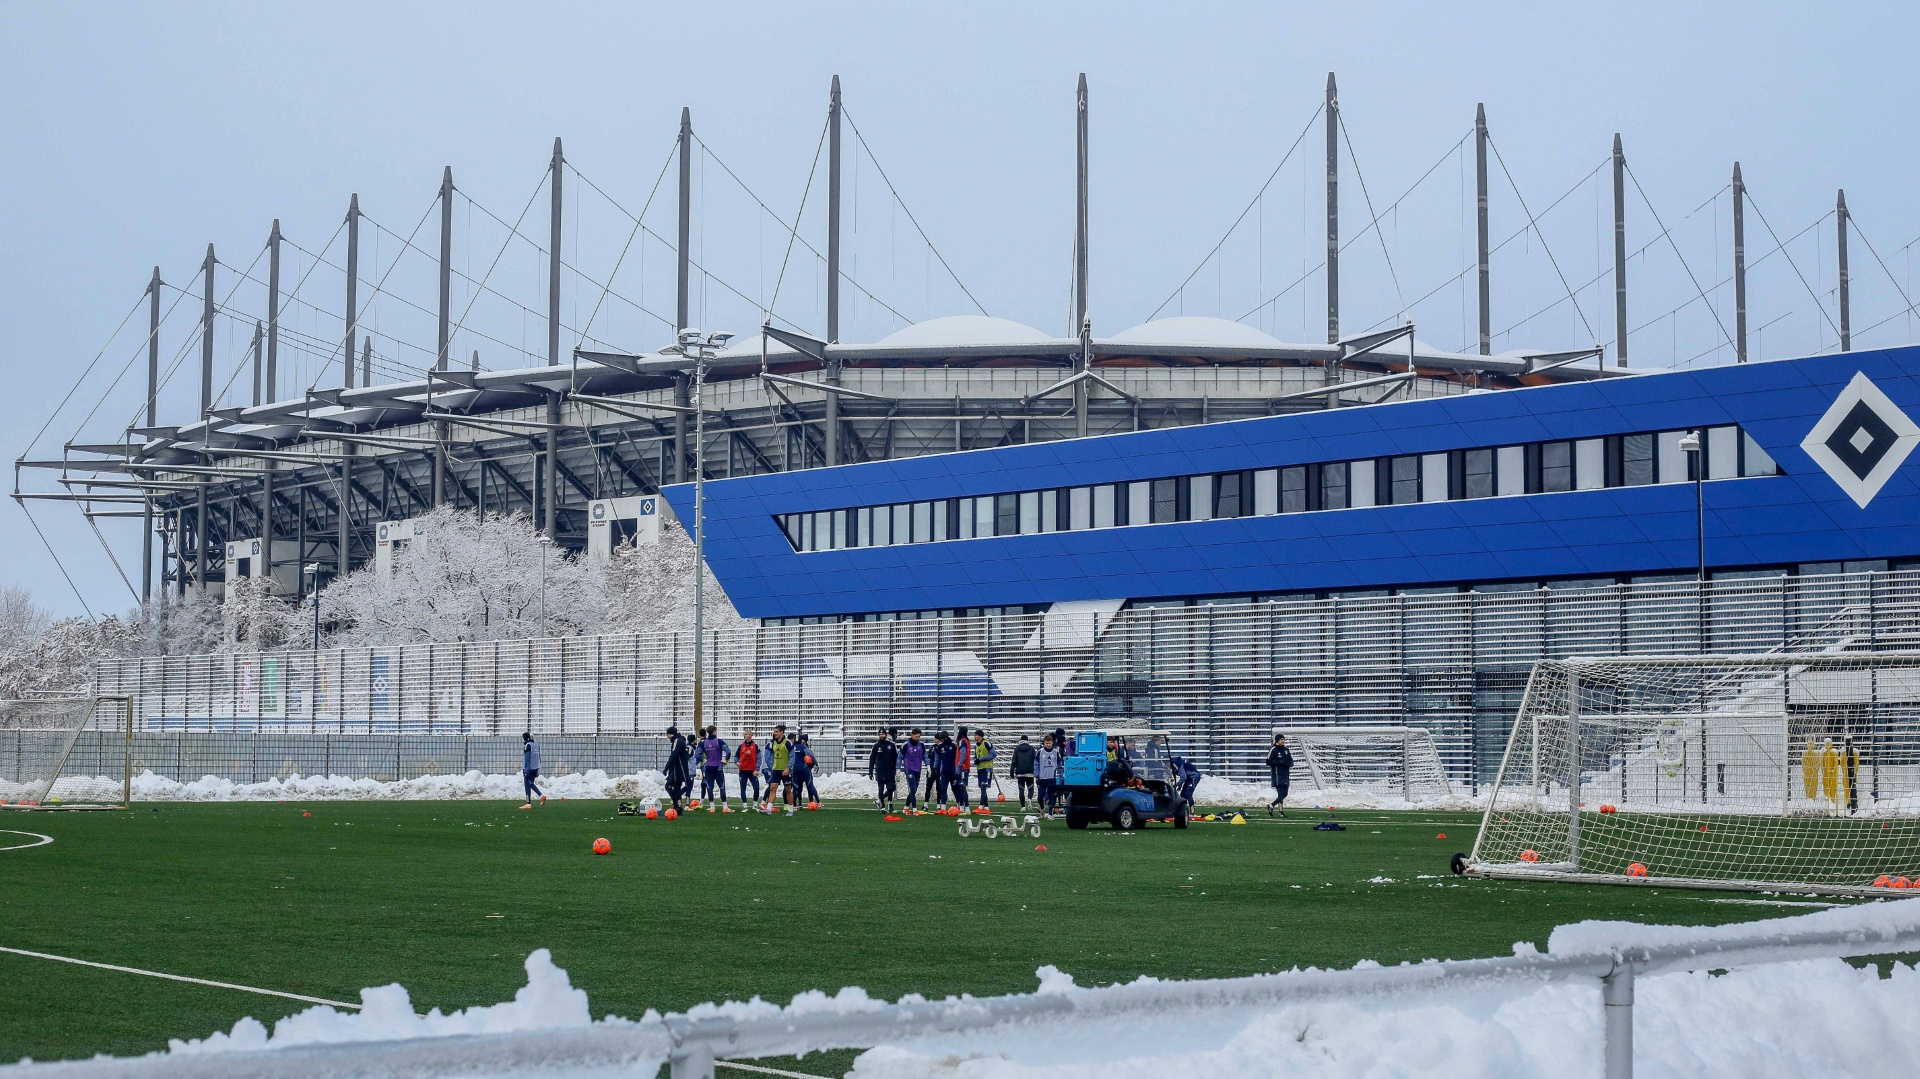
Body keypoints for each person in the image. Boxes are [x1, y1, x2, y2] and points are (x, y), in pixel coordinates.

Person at [868, 728, 899, 811]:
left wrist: (896, 769)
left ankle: (890, 803)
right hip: (880, 770)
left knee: (890, 788)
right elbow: (872, 759)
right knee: (880, 789)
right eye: (880, 734)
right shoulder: (876, 746)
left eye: (882, 734)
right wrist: (870, 771)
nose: (881, 736)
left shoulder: (891, 745)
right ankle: (882, 807)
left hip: (889, 770)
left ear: (885, 735)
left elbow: (896, 758)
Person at [663, 725, 692, 813]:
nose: (667, 737)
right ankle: (678, 807)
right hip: (680, 768)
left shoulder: (677, 741)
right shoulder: (681, 740)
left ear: (671, 734)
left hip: (678, 769)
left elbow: (674, 755)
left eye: (667, 735)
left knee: (669, 786)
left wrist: (666, 768)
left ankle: (676, 804)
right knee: (676, 787)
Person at [698, 725, 729, 806]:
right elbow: (728, 751)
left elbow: (697, 754)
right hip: (718, 766)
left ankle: (712, 807)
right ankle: (725, 806)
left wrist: (703, 760)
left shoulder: (703, 742)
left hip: (708, 766)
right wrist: (726, 760)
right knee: (721, 786)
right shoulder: (719, 741)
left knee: (709, 786)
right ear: (714, 731)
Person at [1266, 733, 1294, 817]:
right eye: (1281, 739)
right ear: (1277, 740)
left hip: (1285, 774)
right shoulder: (1273, 749)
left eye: (1284, 739)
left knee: (1285, 793)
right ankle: (1281, 811)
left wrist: (1290, 764)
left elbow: (1290, 760)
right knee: (1280, 793)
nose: (1283, 741)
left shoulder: (1286, 750)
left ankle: (1271, 805)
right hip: (1277, 774)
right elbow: (1268, 761)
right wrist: (1280, 763)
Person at [899, 728, 927, 812]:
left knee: (914, 790)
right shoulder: (906, 745)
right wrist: (898, 767)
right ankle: (914, 809)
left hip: (918, 769)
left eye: (919, 737)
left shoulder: (921, 745)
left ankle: (906, 807)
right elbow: (900, 757)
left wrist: (928, 765)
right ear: (912, 735)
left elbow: (925, 756)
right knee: (913, 788)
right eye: (916, 736)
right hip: (909, 769)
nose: (917, 738)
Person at [790, 732, 820, 806]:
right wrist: (816, 763)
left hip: (795, 769)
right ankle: (818, 802)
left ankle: (795, 805)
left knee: (796, 787)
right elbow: (811, 755)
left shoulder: (790, 747)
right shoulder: (803, 747)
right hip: (804, 769)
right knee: (810, 785)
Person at [932, 731, 958, 810]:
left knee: (955, 788)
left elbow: (958, 757)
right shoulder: (939, 747)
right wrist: (934, 768)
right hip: (944, 771)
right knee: (943, 788)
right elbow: (937, 758)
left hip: (953, 771)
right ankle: (943, 807)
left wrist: (959, 769)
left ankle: (959, 805)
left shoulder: (954, 745)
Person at [1035, 733, 1060, 814]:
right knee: (1040, 797)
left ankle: (1050, 813)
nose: (1048, 745)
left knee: (1051, 796)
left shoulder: (1056, 752)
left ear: (1052, 743)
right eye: (1047, 743)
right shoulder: (1040, 752)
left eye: (1049, 743)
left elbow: (1060, 764)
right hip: (1042, 778)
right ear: (1044, 743)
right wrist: (1037, 774)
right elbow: (1036, 764)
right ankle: (1042, 808)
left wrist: (1059, 774)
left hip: (1052, 778)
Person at [1010, 735, 1037, 808]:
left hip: (1020, 772)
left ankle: (1023, 807)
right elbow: (1036, 760)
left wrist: (1011, 772)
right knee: (1030, 788)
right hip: (1030, 772)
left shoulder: (1017, 749)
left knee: (1021, 789)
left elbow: (1014, 761)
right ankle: (1029, 799)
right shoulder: (1031, 749)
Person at [768, 725, 792, 806]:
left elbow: (793, 757)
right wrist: (771, 766)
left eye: (777, 732)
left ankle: (791, 809)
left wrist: (788, 768)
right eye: (774, 732)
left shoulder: (787, 743)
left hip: (785, 770)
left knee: (788, 790)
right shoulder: (773, 743)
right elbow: (771, 756)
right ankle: (769, 809)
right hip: (776, 770)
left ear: (782, 732)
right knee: (772, 788)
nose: (775, 733)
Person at [736, 729, 762, 805]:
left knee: (756, 788)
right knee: (743, 788)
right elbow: (736, 756)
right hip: (743, 771)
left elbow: (759, 758)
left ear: (751, 735)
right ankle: (745, 805)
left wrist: (757, 769)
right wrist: (737, 762)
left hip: (752, 771)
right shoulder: (741, 746)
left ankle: (755, 803)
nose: (744, 735)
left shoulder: (755, 746)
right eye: (744, 734)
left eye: (746, 734)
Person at [521, 731, 545, 806]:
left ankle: (538, 797)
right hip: (536, 767)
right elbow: (539, 757)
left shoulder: (527, 745)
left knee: (528, 783)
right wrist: (537, 768)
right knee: (530, 783)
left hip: (530, 768)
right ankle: (529, 802)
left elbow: (527, 759)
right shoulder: (536, 745)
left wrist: (526, 770)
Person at [973, 730, 997, 806]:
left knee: (984, 786)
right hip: (980, 768)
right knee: (981, 787)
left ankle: (982, 806)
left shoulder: (986, 743)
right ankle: (985, 807)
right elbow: (976, 756)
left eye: (976, 735)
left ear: (980, 736)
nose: (974, 736)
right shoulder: (976, 745)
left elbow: (993, 754)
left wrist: (981, 759)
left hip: (987, 768)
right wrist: (975, 761)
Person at [952, 725, 973, 809]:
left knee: (962, 787)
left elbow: (963, 755)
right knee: (960, 787)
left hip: (962, 768)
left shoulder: (962, 741)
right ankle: (962, 806)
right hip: (965, 767)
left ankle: (966, 807)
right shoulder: (966, 741)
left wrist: (958, 767)